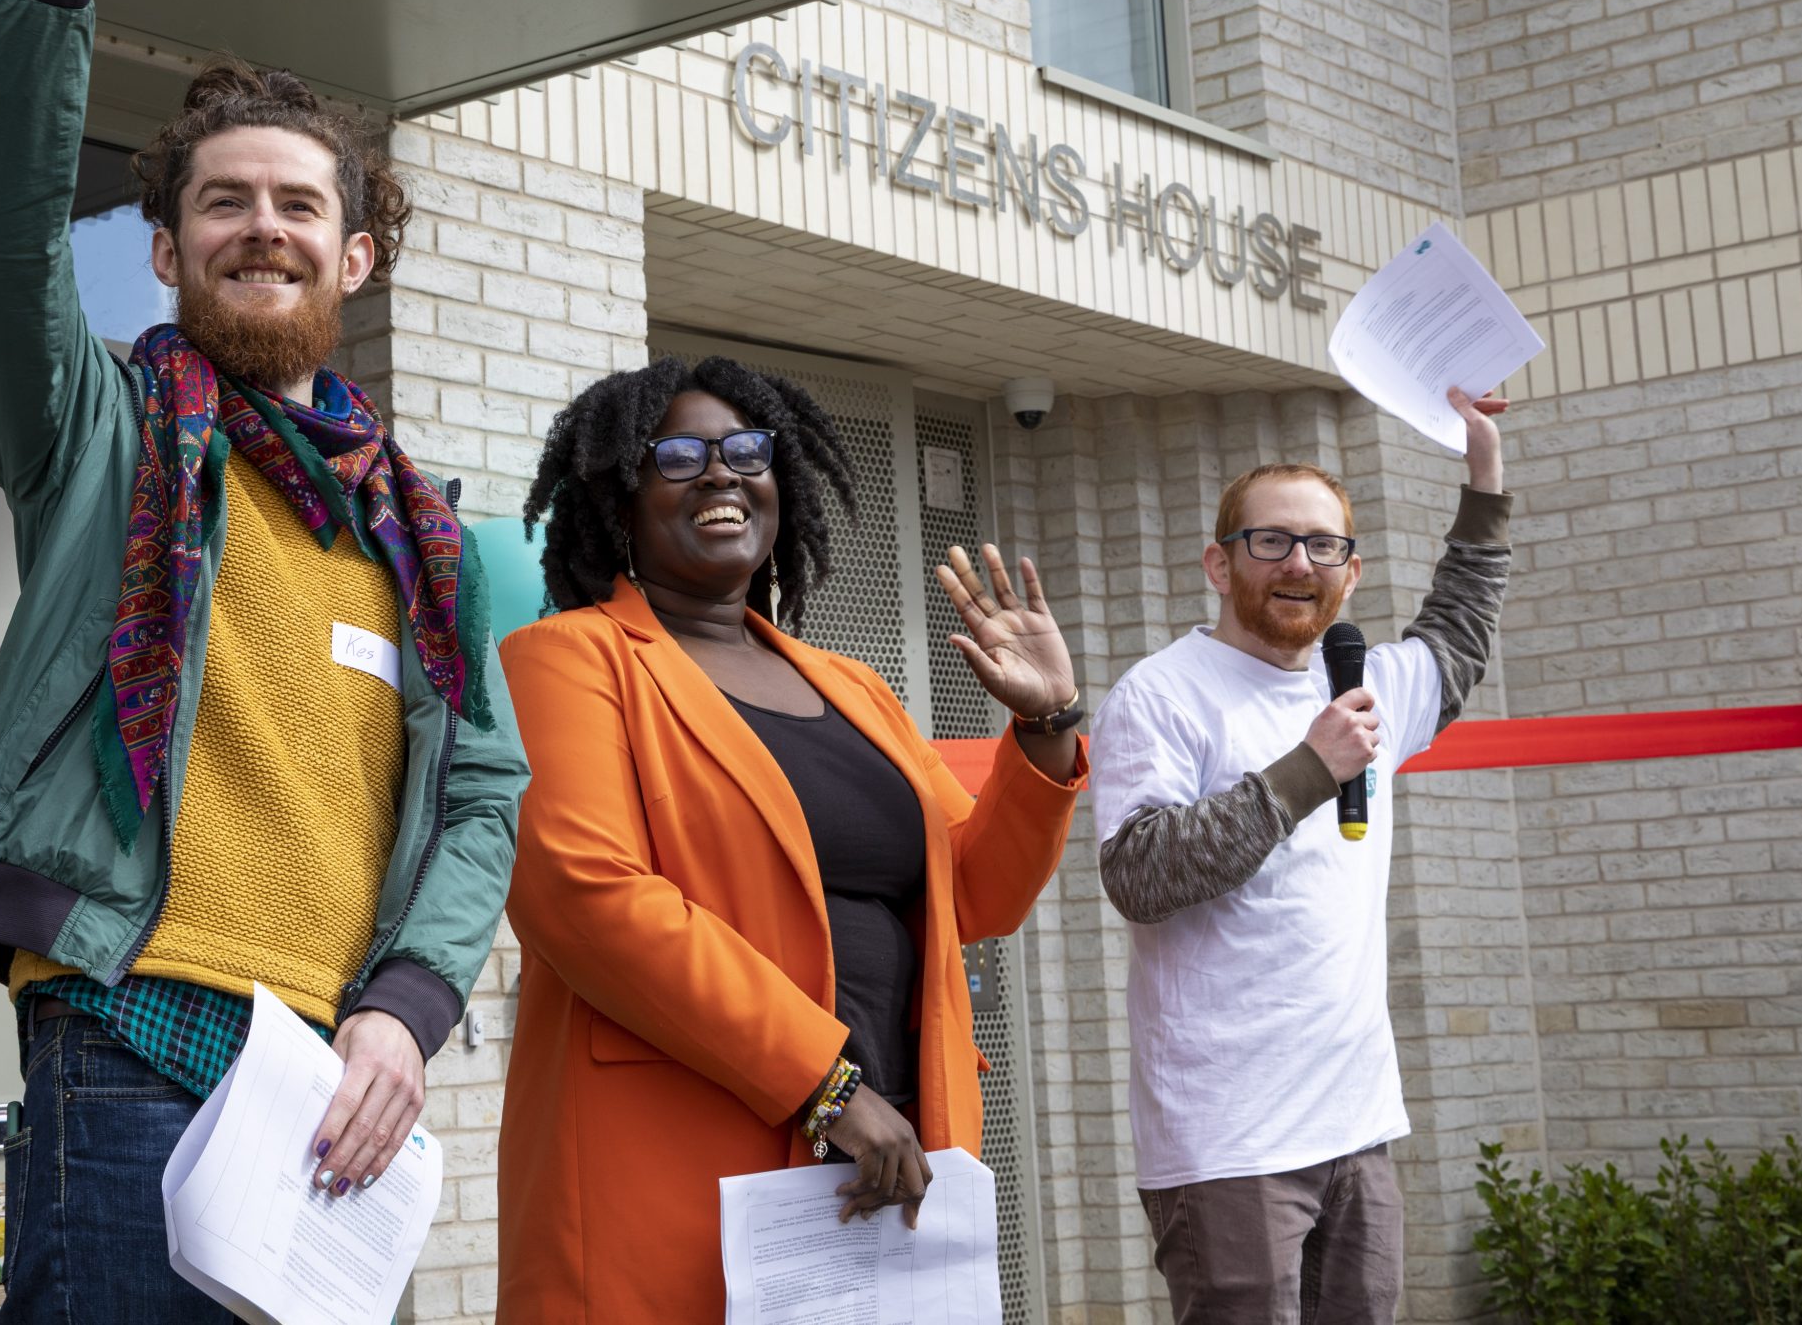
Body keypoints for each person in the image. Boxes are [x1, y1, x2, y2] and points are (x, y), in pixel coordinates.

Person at [0, 0, 527, 1323]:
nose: (265, 227)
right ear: (166, 251)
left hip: (333, 1084)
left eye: (299, 205)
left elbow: (481, 798)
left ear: (357, 256)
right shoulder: (96, 433)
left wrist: (407, 1007)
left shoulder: (431, 535)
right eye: (224, 202)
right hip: (128, 1039)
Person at [493, 355, 1086, 1318]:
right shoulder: (568, 659)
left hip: (890, 1151)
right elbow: (590, 898)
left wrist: (1047, 726)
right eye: (678, 454)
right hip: (687, 1155)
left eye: (745, 450)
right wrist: (825, 1084)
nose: (721, 472)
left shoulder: (854, 689)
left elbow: (974, 895)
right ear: (621, 496)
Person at [1088, 387, 1513, 1324]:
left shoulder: (1368, 685)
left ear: (1351, 575)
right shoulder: (1161, 696)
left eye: (1325, 546)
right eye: (1270, 541)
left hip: (1356, 1127)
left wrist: (1483, 471)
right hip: (1228, 1143)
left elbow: (1462, 624)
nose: (1298, 563)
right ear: (1219, 561)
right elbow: (1140, 874)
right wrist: (1309, 771)